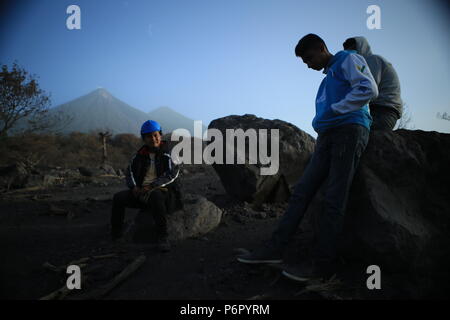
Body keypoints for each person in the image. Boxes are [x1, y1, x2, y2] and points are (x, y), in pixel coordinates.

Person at [237, 34, 378, 282]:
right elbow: (325, 113)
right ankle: (274, 249)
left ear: (322, 48)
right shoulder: (326, 82)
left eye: (309, 58)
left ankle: (322, 267)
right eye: (304, 61)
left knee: (335, 198)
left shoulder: (347, 58)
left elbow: (368, 88)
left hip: (349, 131)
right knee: (302, 191)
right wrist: (323, 122)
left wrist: (336, 111)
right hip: (328, 136)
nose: (308, 65)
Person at [111, 120, 182, 252]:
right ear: (144, 138)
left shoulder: (170, 153)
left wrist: (151, 186)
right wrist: (134, 188)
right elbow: (130, 173)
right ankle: (116, 234)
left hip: (163, 194)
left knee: (155, 196)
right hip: (141, 193)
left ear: (160, 135)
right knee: (118, 198)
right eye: (149, 136)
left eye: (155, 135)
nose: (153, 139)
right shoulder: (138, 156)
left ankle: (162, 236)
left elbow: (172, 174)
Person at [343, 36, 403, 130]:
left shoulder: (371, 60)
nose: (350, 56)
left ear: (361, 48)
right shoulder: (363, 65)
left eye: (353, 51)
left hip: (384, 111)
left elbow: (368, 90)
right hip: (380, 110)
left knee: (354, 132)